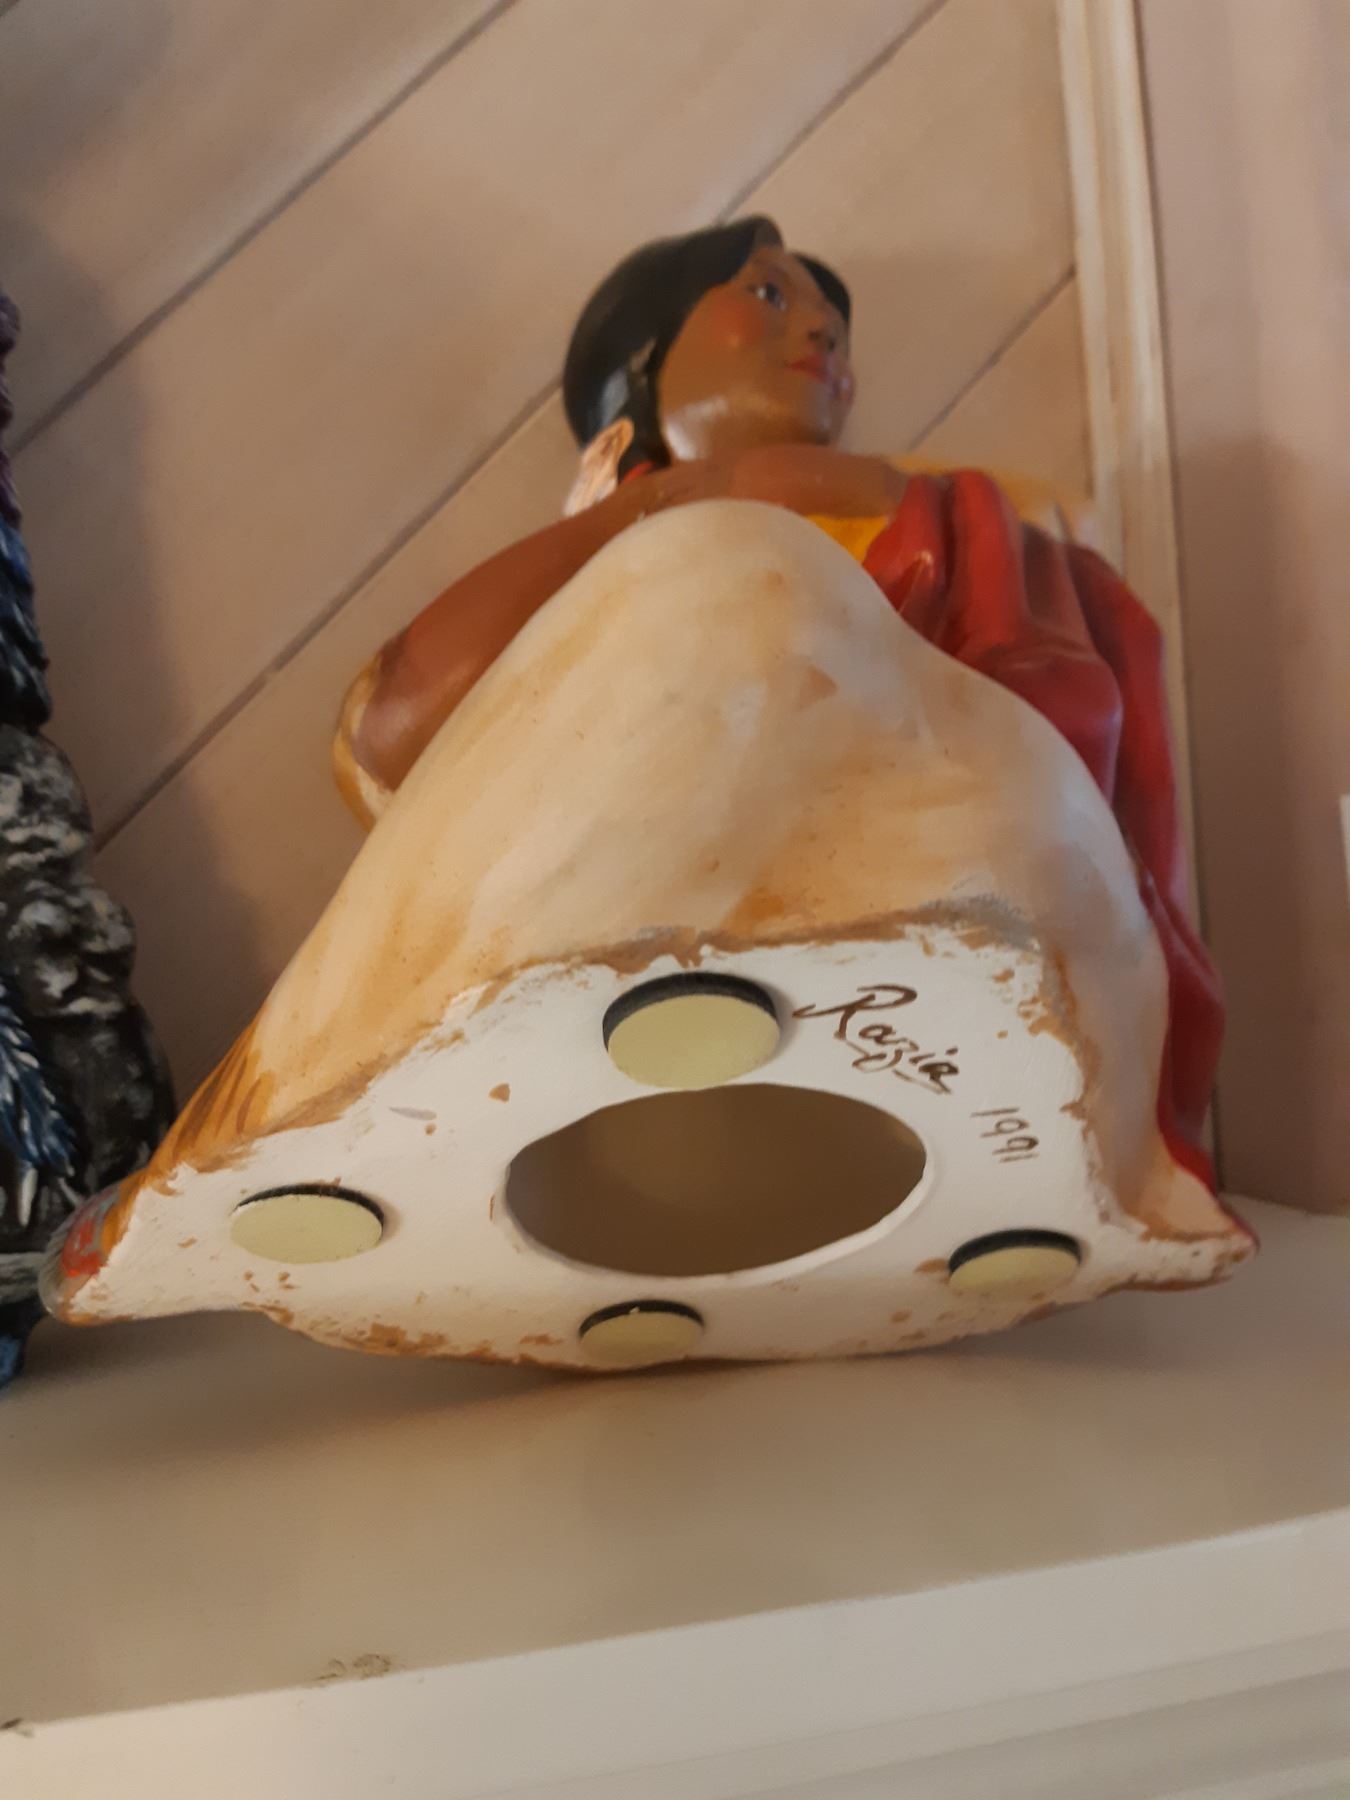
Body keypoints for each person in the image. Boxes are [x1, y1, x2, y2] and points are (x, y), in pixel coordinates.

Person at [333, 216, 1222, 1181]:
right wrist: (676, 502)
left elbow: (1066, 739)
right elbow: (390, 735)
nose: (822, 328)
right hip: (621, 1000)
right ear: (642, 362)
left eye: (832, 318)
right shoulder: (596, 557)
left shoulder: (980, 521)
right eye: (766, 293)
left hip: (918, 991)